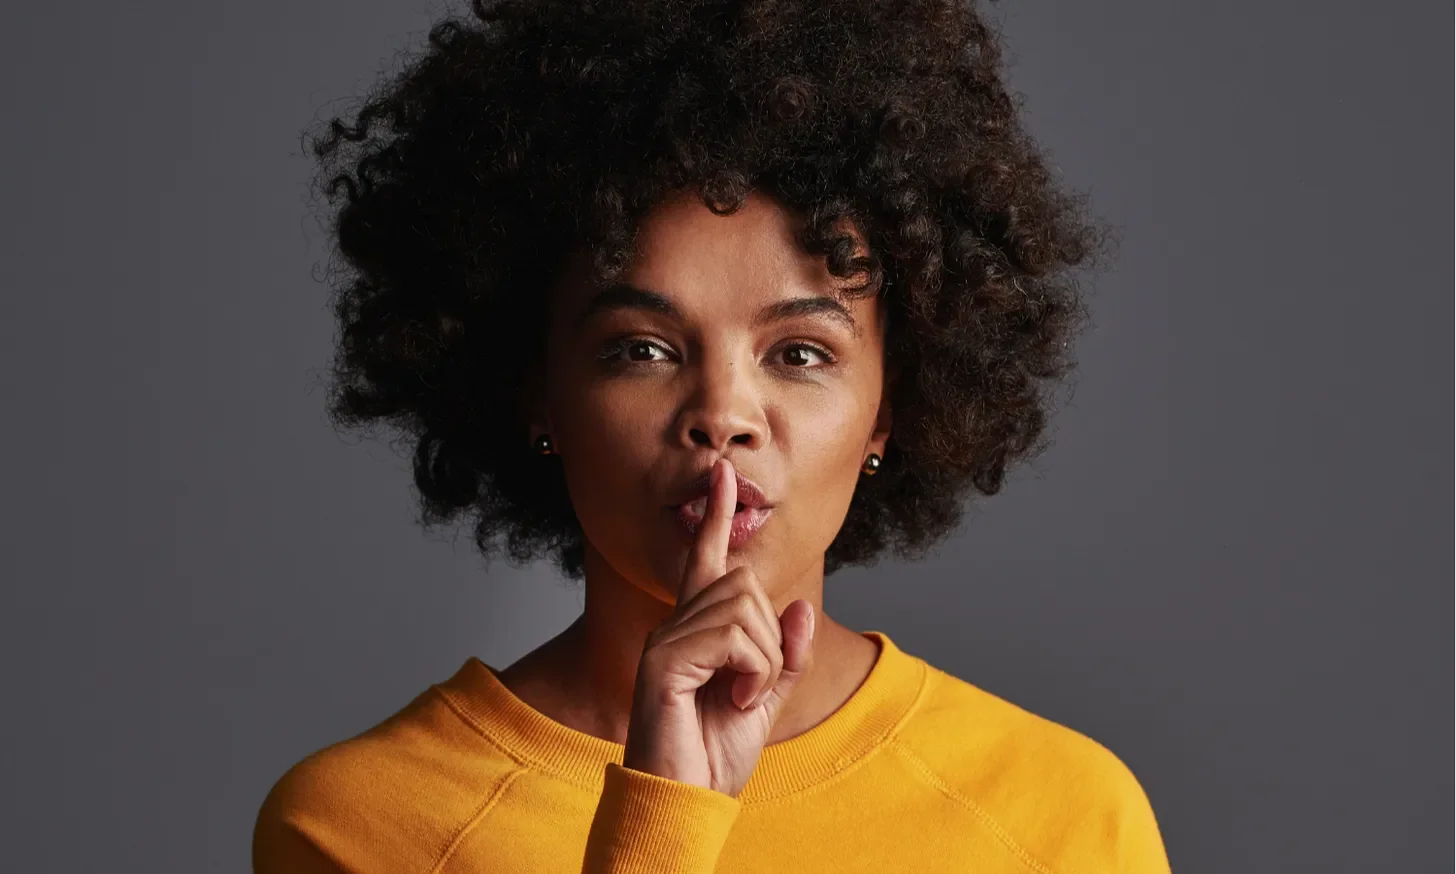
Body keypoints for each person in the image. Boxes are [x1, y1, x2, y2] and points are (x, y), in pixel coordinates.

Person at [253, 0, 1171, 871]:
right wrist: (663, 819)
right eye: (642, 349)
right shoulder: (358, 829)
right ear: (537, 394)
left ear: (890, 407)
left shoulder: (1064, 818)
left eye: (802, 353)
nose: (723, 414)